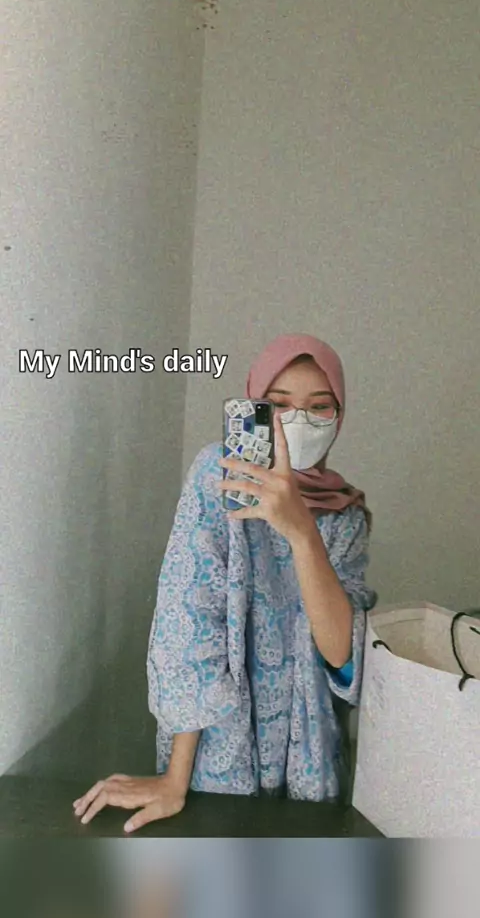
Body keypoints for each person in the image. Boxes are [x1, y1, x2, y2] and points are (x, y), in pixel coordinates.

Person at [74, 334, 376, 832]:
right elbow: (191, 621)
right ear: (255, 407)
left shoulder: (346, 517)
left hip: (309, 755)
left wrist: (302, 531)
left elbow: (342, 655)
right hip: (221, 748)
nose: (299, 421)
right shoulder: (222, 477)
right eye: (279, 405)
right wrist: (175, 779)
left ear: (339, 416)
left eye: (319, 406)